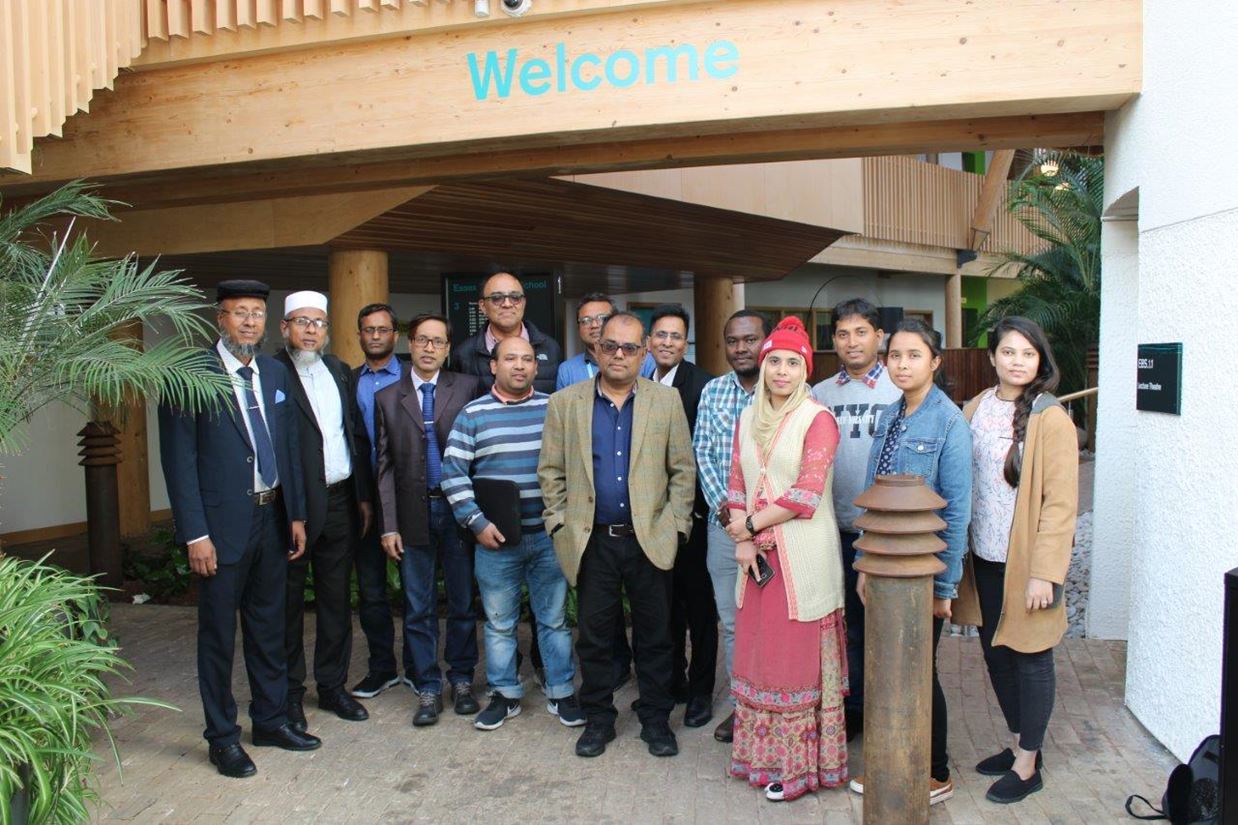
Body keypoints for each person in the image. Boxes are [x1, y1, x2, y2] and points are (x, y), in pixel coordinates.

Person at [158, 279, 319, 779]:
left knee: (269, 629)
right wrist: (194, 534)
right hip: (220, 528)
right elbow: (178, 463)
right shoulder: (189, 375)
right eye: (238, 312)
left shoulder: (273, 371)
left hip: (272, 519)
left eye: (257, 313)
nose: (249, 322)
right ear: (219, 318)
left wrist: (294, 513)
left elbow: (287, 446)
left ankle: (270, 720)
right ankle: (222, 737)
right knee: (218, 637)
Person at [538, 312, 695, 759]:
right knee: (595, 637)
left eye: (629, 347)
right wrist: (559, 523)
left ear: (643, 352)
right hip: (592, 541)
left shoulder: (665, 403)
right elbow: (550, 473)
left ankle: (655, 720)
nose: (619, 355)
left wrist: (676, 526)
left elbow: (683, 471)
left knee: (656, 635)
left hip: (650, 539)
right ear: (596, 349)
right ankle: (599, 720)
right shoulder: (565, 403)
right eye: (610, 346)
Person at [952, 316, 1078, 804]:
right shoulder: (977, 407)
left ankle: (1029, 764)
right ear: (992, 357)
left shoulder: (1051, 418)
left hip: (1027, 564)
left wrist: (1046, 572)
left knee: (1031, 658)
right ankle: (1018, 742)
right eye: (1008, 352)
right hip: (982, 555)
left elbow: (1061, 504)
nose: (1017, 361)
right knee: (996, 655)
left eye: (1027, 354)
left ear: (1040, 360)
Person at [723, 316, 848, 803]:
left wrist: (750, 526)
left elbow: (806, 493)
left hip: (801, 558)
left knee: (794, 661)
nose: (780, 371)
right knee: (760, 656)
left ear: (805, 370)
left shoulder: (818, 419)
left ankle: (798, 770)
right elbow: (737, 479)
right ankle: (762, 759)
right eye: (773, 360)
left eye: (792, 363)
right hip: (755, 561)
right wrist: (742, 538)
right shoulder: (746, 417)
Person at [850, 319, 972, 806]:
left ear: (935, 362)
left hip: (922, 570)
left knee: (921, 667)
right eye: (895, 355)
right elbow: (873, 498)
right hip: (882, 564)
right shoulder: (889, 414)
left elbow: (958, 509)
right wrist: (864, 562)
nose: (902, 364)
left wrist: (946, 589)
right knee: (885, 664)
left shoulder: (949, 423)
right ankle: (892, 763)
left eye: (914, 355)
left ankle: (933, 771)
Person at [441, 336, 585, 731]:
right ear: (493, 365)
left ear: (537, 368)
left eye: (527, 359)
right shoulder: (472, 414)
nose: (519, 366)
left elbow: (574, 466)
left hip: (548, 537)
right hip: (495, 540)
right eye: (510, 359)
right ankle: (505, 694)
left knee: (553, 620)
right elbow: (453, 474)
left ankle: (560, 690)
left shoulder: (554, 409)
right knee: (500, 623)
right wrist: (476, 523)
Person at [374, 314, 483, 726]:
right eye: (422, 340)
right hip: (412, 515)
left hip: (459, 511)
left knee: (461, 602)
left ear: (447, 348)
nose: (429, 348)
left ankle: (461, 678)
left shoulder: (468, 387)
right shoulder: (388, 397)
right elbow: (383, 467)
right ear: (410, 343)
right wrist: (388, 524)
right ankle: (427, 686)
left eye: (438, 341)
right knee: (418, 606)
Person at [274, 291, 372, 731]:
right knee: (288, 604)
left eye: (319, 323)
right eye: (302, 322)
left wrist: (363, 496)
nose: (311, 330)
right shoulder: (271, 373)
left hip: (340, 501)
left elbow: (353, 434)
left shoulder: (339, 371)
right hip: (292, 508)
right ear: (285, 328)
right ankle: (289, 693)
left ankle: (332, 687)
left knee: (336, 601)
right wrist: (292, 509)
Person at [810, 298, 900, 740]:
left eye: (861, 332)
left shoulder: (899, 390)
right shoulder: (819, 394)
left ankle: (875, 708)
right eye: (843, 334)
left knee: (878, 626)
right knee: (839, 624)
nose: (852, 342)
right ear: (834, 341)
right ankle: (844, 706)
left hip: (882, 535)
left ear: (879, 337)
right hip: (831, 530)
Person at [690, 309, 769, 744]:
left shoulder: (792, 390)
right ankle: (744, 709)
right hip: (725, 530)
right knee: (734, 622)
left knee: (777, 620)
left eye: (750, 339)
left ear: (766, 341)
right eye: (733, 341)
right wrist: (730, 515)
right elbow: (703, 454)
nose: (741, 348)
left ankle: (780, 706)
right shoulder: (713, 392)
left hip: (780, 530)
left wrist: (759, 521)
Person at [646, 303, 717, 728]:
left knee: (700, 612)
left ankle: (700, 692)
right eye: (661, 335)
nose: (668, 342)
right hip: (652, 519)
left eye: (676, 336)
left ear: (685, 342)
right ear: (649, 342)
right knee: (662, 608)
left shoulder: (702, 386)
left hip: (696, 519)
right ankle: (670, 680)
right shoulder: (637, 382)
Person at [350, 303, 409, 698]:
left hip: (408, 494)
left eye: (383, 330)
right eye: (368, 330)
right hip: (363, 498)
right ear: (359, 335)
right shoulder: (346, 380)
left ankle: (424, 668)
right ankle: (382, 666)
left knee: (416, 588)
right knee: (371, 590)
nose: (375, 336)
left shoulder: (412, 376)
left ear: (395, 335)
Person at [452, 271, 563, 395]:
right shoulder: (463, 354)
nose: (507, 304)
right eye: (496, 298)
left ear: (523, 303)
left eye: (515, 297)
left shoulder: (550, 347)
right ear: (483, 306)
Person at [556, 291, 655, 390]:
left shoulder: (646, 360)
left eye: (602, 318)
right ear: (578, 327)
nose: (594, 325)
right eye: (586, 320)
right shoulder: (567, 370)